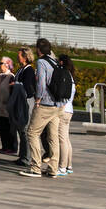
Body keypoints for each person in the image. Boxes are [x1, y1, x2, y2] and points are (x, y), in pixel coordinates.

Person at [20, 38, 62, 178]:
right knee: (53, 137)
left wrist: (38, 99)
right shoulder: (55, 62)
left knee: (32, 133)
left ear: (38, 50)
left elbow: (41, 84)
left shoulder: (42, 62)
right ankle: (53, 169)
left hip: (45, 104)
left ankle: (36, 167)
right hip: (57, 105)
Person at [12, 47, 36, 166]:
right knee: (21, 130)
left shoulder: (29, 70)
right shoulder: (21, 69)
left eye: (19, 55)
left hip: (26, 102)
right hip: (20, 101)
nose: (17, 57)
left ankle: (27, 157)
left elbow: (27, 86)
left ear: (25, 57)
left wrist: (14, 84)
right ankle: (22, 156)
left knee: (25, 130)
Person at [56, 54, 76, 176]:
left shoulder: (64, 75)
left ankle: (62, 167)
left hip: (63, 109)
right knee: (66, 139)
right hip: (69, 110)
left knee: (62, 139)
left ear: (62, 62)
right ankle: (68, 165)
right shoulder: (71, 77)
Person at [0, 55, 17, 154]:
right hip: (0, 106)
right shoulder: (0, 76)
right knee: (2, 126)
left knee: (9, 128)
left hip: (7, 107)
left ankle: (12, 147)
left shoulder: (11, 77)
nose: (0, 65)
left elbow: (13, 92)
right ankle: (4, 146)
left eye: (1, 63)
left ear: (7, 65)